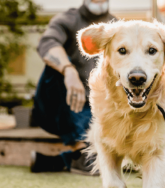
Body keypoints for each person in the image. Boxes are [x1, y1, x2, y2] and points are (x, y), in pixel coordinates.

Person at [30, 0, 115, 175]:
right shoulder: (67, 19)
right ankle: (81, 149)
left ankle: (68, 159)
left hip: (94, 109)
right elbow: (47, 43)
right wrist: (68, 71)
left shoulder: (116, 27)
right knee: (56, 69)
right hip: (56, 106)